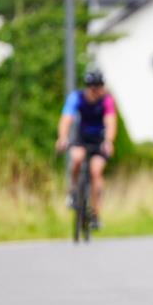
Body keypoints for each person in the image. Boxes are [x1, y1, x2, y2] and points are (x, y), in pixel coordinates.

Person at [55, 66, 116, 230]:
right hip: (81, 138)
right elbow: (66, 119)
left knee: (96, 171)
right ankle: (73, 192)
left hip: (99, 140)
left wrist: (109, 141)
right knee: (76, 159)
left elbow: (110, 122)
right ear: (88, 87)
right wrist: (62, 138)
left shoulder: (107, 100)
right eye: (95, 88)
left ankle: (95, 214)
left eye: (100, 87)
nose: (98, 91)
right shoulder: (76, 97)